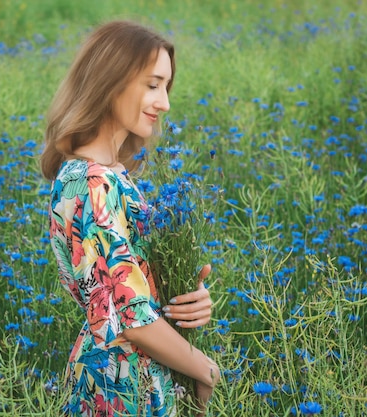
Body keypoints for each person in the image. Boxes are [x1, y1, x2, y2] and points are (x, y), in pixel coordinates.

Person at [41, 20, 220, 416]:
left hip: (138, 377)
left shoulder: (113, 176)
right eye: (153, 84)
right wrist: (206, 370)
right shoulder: (89, 182)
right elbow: (130, 317)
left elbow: (140, 294)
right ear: (112, 80)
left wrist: (190, 300)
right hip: (118, 386)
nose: (165, 102)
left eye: (166, 88)